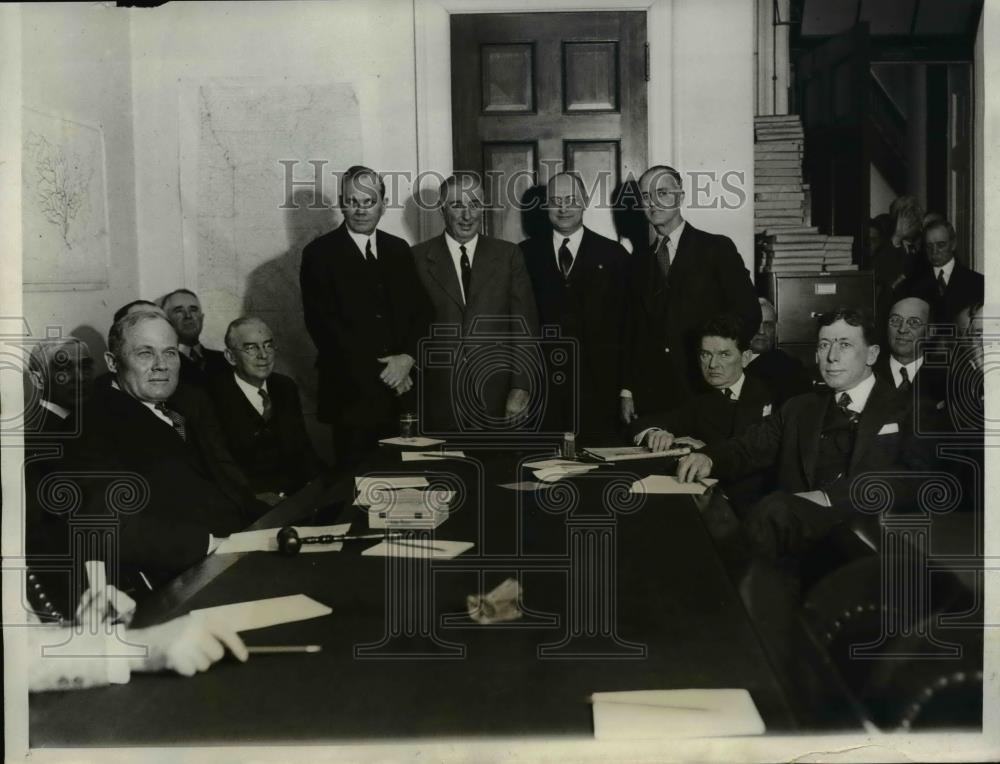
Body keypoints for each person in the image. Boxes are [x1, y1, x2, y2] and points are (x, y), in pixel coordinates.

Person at [676, 308, 935, 560]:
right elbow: (748, 447)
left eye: (844, 345)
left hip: (868, 541)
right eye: (824, 345)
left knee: (772, 510)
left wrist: (828, 497)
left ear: (871, 354)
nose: (831, 356)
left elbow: (919, 479)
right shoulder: (800, 408)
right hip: (798, 544)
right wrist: (708, 458)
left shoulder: (910, 409)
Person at [71, 311, 246, 589]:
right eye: (145, 353)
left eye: (170, 353)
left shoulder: (176, 409)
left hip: (225, 555)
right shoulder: (93, 422)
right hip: (178, 580)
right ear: (113, 363)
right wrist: (211, 543)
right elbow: (107, 526)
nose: (161, 365)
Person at [300, 165, 432, 468]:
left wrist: (408, 359)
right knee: (357, 488)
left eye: (368, 201)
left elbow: (423, 311)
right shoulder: (319, 254)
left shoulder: (398, 249)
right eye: (352, 201)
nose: (360, 210)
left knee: (406, 482)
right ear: (341, 203)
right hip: (351, 397)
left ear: (383, 205)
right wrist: (389, 373)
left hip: (403, 395)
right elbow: (323, 327)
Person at [623, 165, 760, 420]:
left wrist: (720, 364)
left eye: (662, 193)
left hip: (705, 390)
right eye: (645, 196)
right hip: (654, 395)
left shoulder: (716, 248)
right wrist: (627, 390)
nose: (653, 202)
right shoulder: (638, 262)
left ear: (681, 196)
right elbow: (633, 331)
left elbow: (749, 314)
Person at [412, 173, 539, 433]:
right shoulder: (416, 259)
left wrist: (521, 386)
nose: (467, 215)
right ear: (442, 209)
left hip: (498, 393)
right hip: (438, 397)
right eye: (457, 205)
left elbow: (525, 326)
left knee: (499, 471)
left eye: (474, 204)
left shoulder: (508, 255)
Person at [519, 172, 628, 439]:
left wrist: (627, 389)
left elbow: (630, 325)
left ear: (585, 201)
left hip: (601, 391)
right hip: (542, 392)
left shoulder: (614, 255)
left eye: (571, 199)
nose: (563, 207)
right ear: (546, 205)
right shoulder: (523, 254)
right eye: (556, 200)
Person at [630, 314, 776, 510]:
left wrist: (702, 450)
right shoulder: (700, 400)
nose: (713, 365)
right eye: (706, 354)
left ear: (746, 358)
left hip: (756, 506)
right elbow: (640, 424)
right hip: (711, 500)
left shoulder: (769, 394)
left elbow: (753, 454)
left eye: (724, 354)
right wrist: (654, 433)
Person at [206, 317, 325, 502]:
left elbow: (302, 447)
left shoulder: (285, 387)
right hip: (246, 502)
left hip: (294, 499)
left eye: (268, 345)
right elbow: (219, 466)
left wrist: (320, 485)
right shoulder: (211, 397)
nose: (263, 355)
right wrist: (254, 498)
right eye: (251, 348)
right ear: (230, 357)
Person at [901, 218, 984, 327]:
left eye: (940, 245)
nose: (934, 252)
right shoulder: (913, 284)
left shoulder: (977, 282)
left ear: (953, 244)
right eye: (929, 246)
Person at [873, 296, 946, 408]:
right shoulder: (868, 372)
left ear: (930, 332)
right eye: (895, 320)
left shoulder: (946, 378)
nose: (902, 329)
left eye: (914, 323)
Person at [744, 297, 813, 406]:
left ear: (776, 329)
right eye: (755, 324)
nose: (761, 331)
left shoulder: (791, 369)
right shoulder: (728, 360)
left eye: (768, 325)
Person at [160, 289, 228, 384]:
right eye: (179, 311)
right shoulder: (162, 363)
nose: (188, 316)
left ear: (202, 318)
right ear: (166, 321)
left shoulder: (224, 361)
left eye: (193, 310)